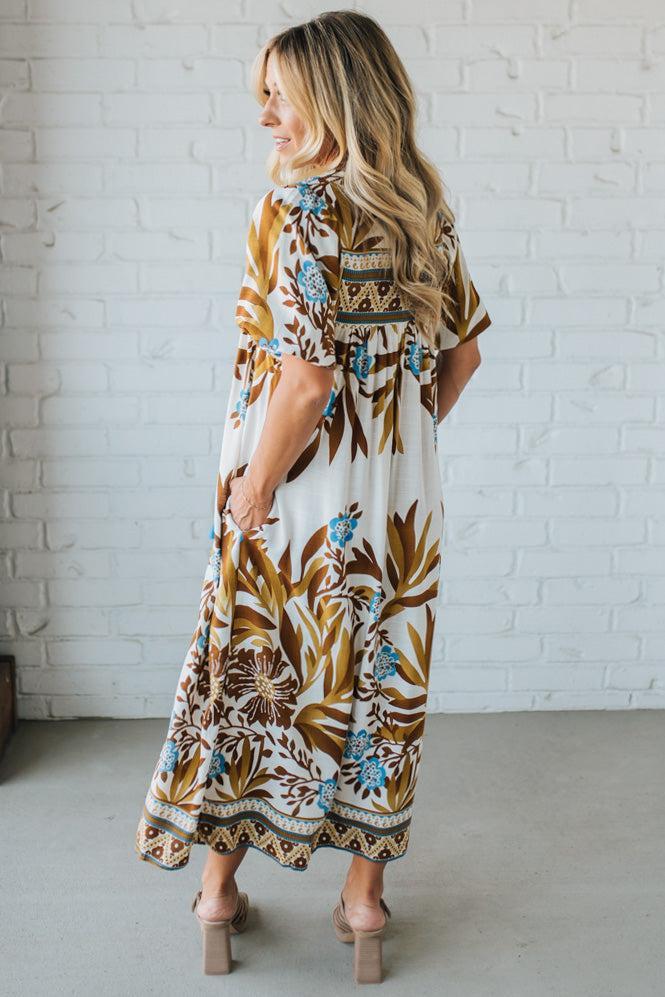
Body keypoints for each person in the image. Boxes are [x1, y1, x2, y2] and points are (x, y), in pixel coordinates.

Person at [135, 10, 491, 984]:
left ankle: (216, 893)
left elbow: (304, 379)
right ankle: (364, 905)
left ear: (330, 94)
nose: (264, 114)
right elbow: (460, 355)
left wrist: (253, 491)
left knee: (252, 683)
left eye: (277, 93)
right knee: (380, 687)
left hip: (291, 503)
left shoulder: (293, 211)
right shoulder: (422, 205)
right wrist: (397, 453)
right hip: (395, 510)